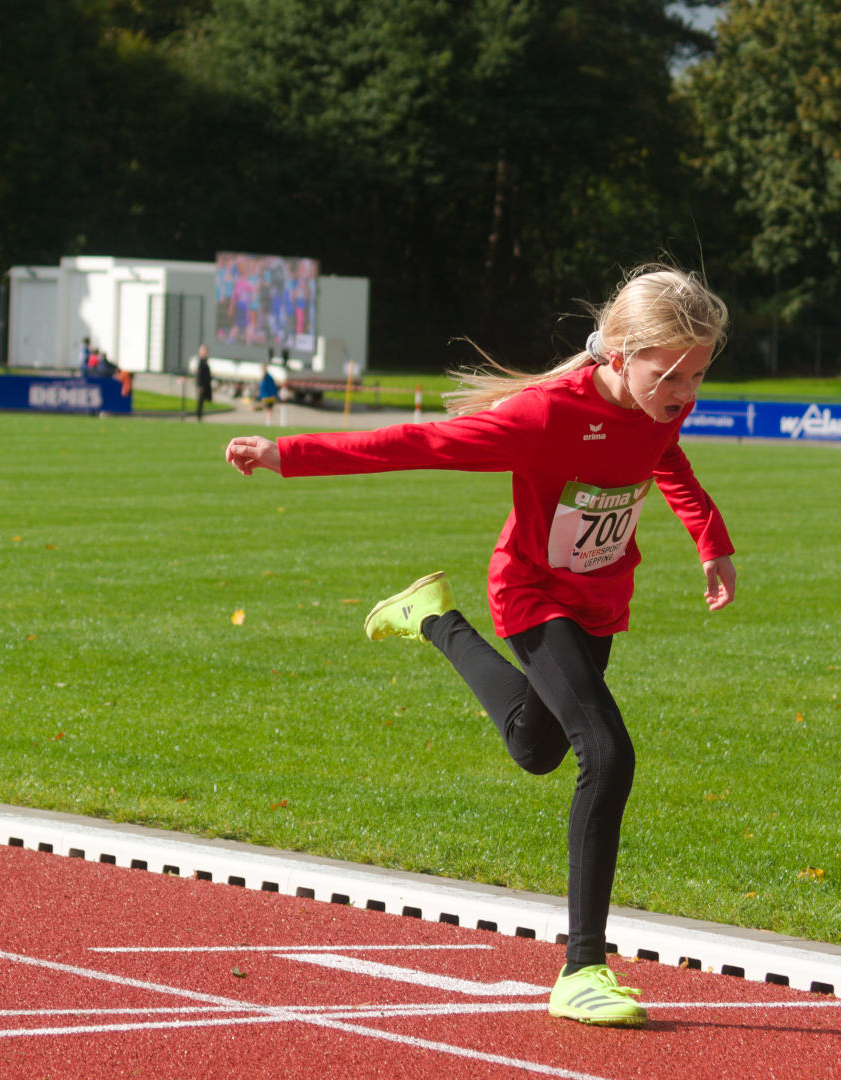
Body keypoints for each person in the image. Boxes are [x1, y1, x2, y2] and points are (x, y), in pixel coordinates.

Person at [222, 266, 735, 1028]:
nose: (685, 391)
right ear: (621, 354)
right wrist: (286, 453)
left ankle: (433, 618)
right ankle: (582, 969)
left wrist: (710, 541)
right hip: (533, 596)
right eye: (672, 374)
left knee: (537, 748)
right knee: (609, 752)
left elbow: (666, 457)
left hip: (599, 602)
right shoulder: (544, 415)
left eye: (698, 374)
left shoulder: (661, 404)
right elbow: (416, 442)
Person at [194, 345, 214, 421]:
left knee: (202, 401)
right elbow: (199, 375)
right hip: (202, 385)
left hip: (205, 384)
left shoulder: (205, 362)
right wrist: (200, 385)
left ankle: (200, 415)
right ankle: (199, 415)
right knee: (200, 401)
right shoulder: (201, 362)